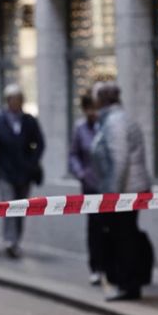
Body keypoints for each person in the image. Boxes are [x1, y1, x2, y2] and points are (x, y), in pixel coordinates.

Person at [90, 81, 153, 301]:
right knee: (125, 236)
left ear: (102, 99)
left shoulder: (115, 122)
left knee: (124, 238)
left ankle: (128, 284)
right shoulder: (115, 119)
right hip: (127, 190)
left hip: (124, 192)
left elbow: (119, 161)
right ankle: (128, 282)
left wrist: (111, 198)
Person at [0, 84, 45, 258]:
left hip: (24, 172)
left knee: (21, 207)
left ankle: (16, 239)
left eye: (19, 99)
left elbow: (39, 143)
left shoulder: (28, 120)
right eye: (12, 99)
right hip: (5, 171)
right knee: (9, 205)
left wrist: (32, 161)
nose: (16, 103)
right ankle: (9, 240)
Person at [68, 93, 104, 286]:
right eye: (88, 108)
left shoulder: (106, 126)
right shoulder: (80, 129)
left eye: (95, 108)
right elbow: (73, 155)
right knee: (94, 227)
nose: (92, 112)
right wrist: (80, 173)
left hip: (109, 186)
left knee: (109, 227)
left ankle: (109, 266)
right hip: (90, 186)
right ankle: (96, 268)